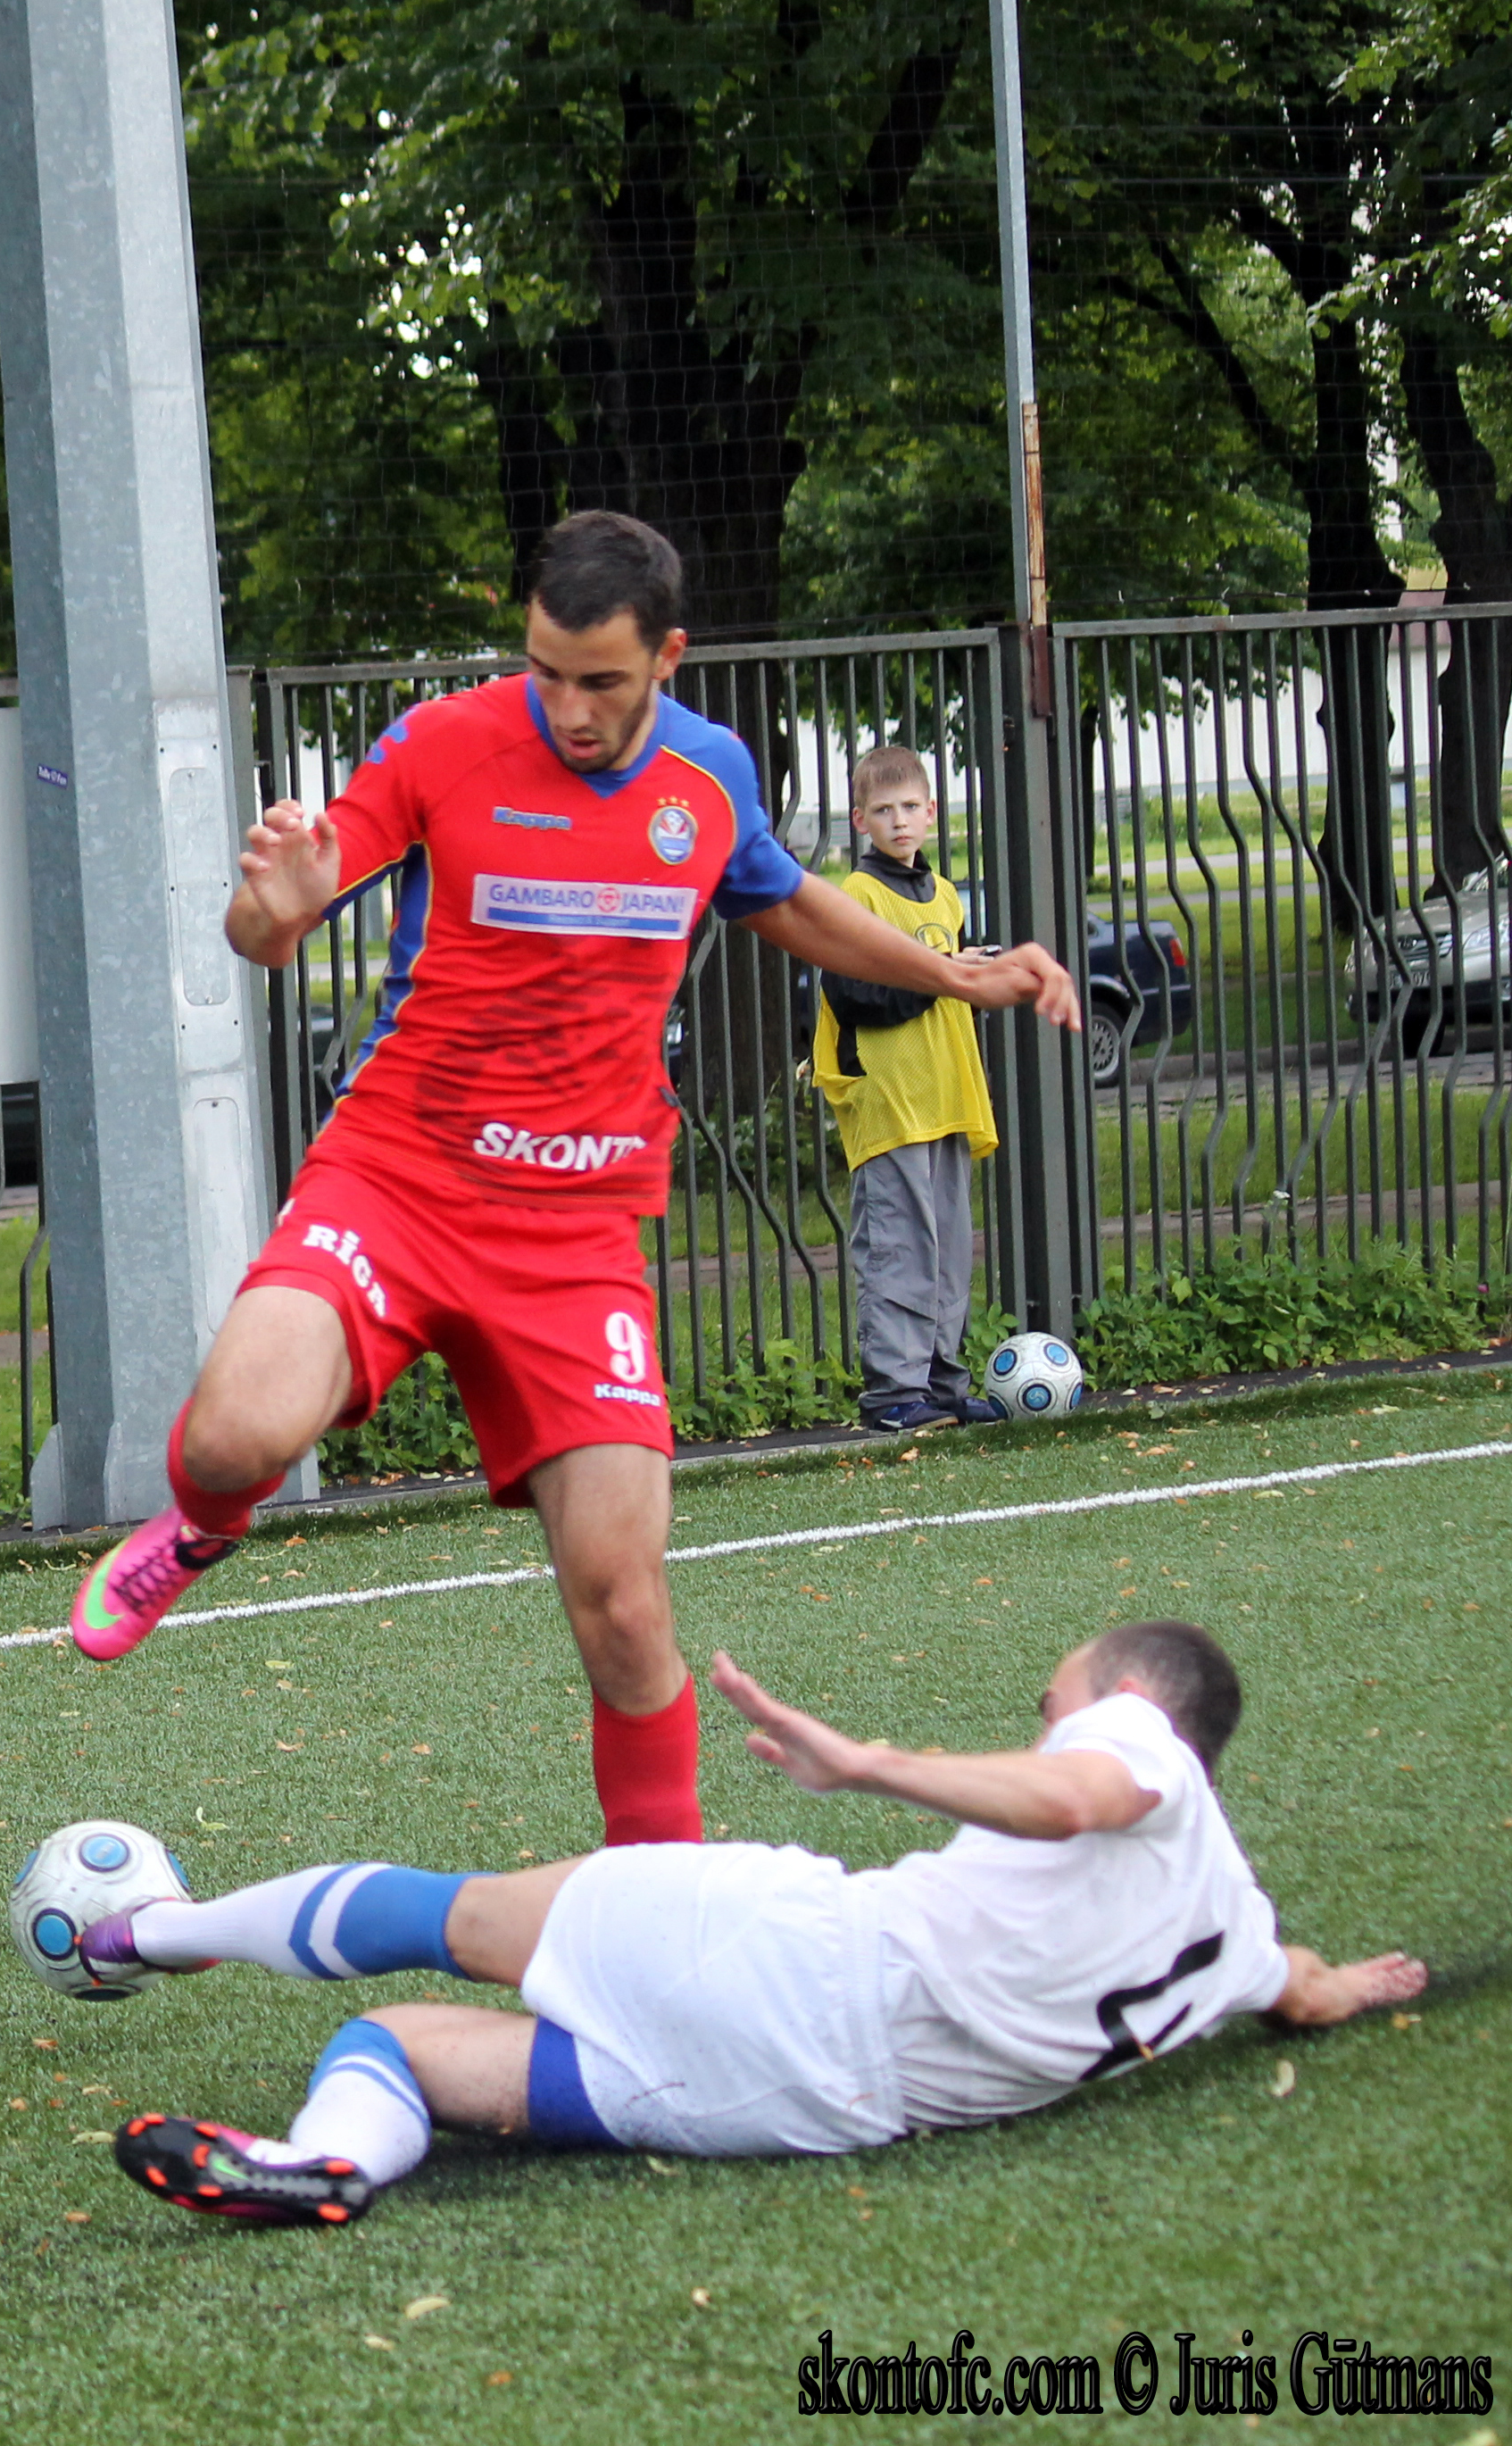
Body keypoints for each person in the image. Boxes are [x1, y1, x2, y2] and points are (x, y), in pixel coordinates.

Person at [69, 512, 1080, 1850]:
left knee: (625, 1603)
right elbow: (265, 928)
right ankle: (200, 1528)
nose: (568, 709)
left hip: (577, 1231)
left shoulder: (709, 774)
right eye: (545, 671)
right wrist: (277, 902)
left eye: (600, 680)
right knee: (232, 1439)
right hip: (401, 1176)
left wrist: (956, 971)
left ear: (668, 656)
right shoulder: (441, 743)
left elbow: (782, 898)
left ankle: (662, 1897)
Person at [82, 1620, 1427, 2227]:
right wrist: (1360, 1986)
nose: (1048, 1725)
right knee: (398, 2044)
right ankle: (330, 2165)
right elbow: (1299, 1987)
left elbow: (1082, 1795)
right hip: (801, 2110)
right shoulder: (1237, 1936)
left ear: (1132, 1696)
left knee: (445, 1916)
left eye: (1052, 1704)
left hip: (796, 1958)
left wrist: (873, 1764)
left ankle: (138, 1935)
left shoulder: (1141, 1740)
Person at [813, 745, 1003, 1433]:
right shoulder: (857, 898)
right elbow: (857, 993)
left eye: (910, 807)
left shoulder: (947, 895)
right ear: (860, 820)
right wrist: (941, 970)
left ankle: (941, 1384)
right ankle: (893, 1392)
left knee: (949, 1250)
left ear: (932, 812)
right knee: (900, 1246)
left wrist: (975, 974)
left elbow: (951, 989)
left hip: (945, 1098)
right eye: (884, 810)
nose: (899, 821)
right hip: (889, 1102)